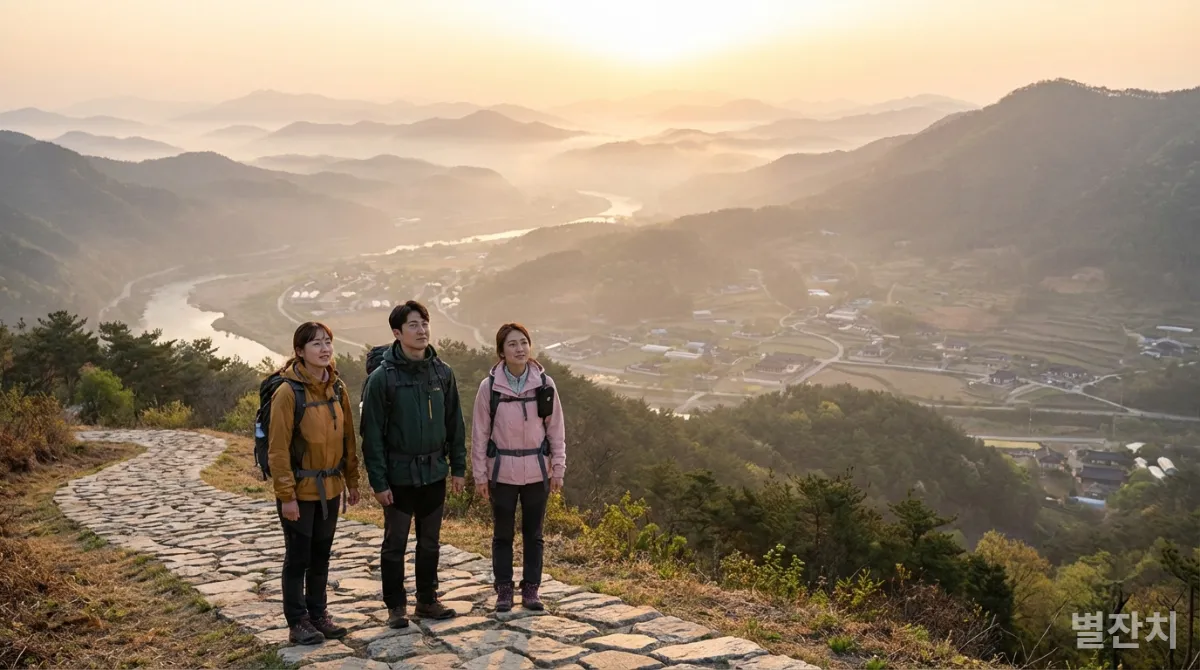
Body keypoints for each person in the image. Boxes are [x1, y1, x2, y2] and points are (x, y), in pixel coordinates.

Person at [360, 300, 466, 628]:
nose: (421, 331)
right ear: (397, 332)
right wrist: (378, 481)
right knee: (395, 543)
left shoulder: (442, 372)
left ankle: (427, 601)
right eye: (413, 325)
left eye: (424, 323)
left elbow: (455, 423)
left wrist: (458, 468)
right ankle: (395, 606)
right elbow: (371, 435)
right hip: (399, 474)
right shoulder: (383, 378)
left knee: (430, 542)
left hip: (434, 471)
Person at [268, 321, 361, 645]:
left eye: (327, 342)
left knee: (321, 554)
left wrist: (352, 481)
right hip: (299, 491)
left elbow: (349, 437)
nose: (324, 349)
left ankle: (318, 613)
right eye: (316, 344)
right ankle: (297, 621)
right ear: (299, 352)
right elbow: (277, 449)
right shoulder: (287, 392)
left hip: (331, 488)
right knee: (298, 557)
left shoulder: (338, 388)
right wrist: (286, 496)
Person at [471, 322, 566, 612]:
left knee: (534, 534)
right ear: (501, 351)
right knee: (502, 534)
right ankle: (503, 589)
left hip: (537, 470)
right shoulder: (489, 388)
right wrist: (480, 475)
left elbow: (556, 430)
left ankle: (531, 589)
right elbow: (479, 434)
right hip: (503, 471)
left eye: (523, 342)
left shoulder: (544, 385)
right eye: (512, 344)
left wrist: (558, 468)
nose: (520, 348)